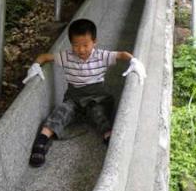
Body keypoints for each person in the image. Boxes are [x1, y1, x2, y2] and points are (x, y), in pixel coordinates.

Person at [23, 18, 146, 167]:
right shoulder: (67, 57)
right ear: (71, 44)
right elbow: (44, 57)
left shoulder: (101, 56)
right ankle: (41, 141)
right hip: (74, 98)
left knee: (99, 114)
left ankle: (109, 137)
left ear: (94, 42)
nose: (81, 50)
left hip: (97, 98)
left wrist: (134, 61)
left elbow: (122, 55)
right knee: (61, 111)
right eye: (76, 45)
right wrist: (35, 66)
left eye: (85, 45)